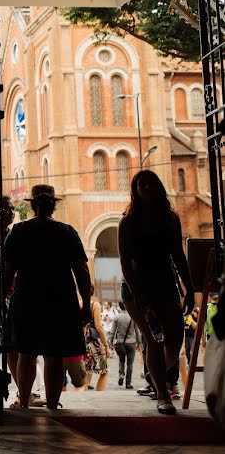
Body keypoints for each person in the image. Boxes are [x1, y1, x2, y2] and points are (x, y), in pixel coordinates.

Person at [3, 184, 93, 410]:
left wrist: (2, 296)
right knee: (54, 354)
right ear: (54, 205)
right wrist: (86, 302)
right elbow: (81, 270)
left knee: (26, 352)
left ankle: (24, 401)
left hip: (27, 298)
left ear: (32, 205)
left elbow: (8, 271)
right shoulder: (67, 231)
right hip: (60, 299)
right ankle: (53, 403)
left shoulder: (20, 231)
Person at [118, 170, 194, 415]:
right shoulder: (128, 221)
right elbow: (125, 262)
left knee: (175, 338)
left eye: (151, 183)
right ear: (135, 190)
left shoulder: (170, 219)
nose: (147, 187)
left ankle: (156, 373)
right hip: (136, 286)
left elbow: (179, 256)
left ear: (159, 187)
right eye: (141, 184)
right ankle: (163, 395)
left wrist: (189, 288)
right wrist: (136, 292)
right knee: (153, 339)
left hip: (164, 283)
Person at [81, 295, 112, 391]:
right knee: (104, 371)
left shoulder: (79, 303)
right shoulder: (95, 304)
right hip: (94, 343)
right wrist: (106, 346)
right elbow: (98, 326)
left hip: (84, 341)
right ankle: (99, 396)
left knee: (87, 372)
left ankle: (83, 396)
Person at [111, 303, 140, 389]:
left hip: (120, 343)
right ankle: (128, 383)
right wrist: (139, 342)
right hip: (131, 343)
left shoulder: (117, 317)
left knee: (121, 360)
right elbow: (137, 332)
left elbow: (113, 331)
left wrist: (110, 342)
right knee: (130, 364)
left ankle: (121, 374)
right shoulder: (133, 317)